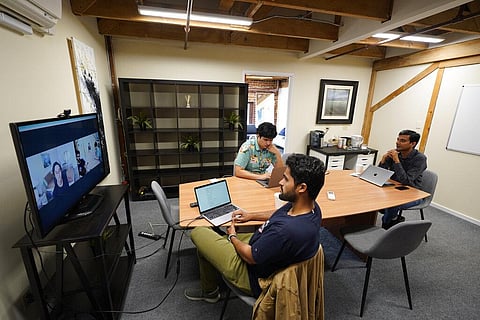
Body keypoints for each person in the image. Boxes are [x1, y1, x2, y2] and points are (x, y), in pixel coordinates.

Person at [184, 153, 325, 302]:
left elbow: (250, 257)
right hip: (262, 246)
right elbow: (280, 213)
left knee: (199, 230)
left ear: (302, 188)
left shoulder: (285, 231)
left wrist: (232, 236)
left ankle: (210, 292)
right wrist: (250, 216)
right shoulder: (311, 208)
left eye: (286, 179)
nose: (280, 182)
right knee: (206, 246)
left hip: (251, 274)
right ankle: (210, 289)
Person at [378, 129, 427, 229]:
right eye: (398, 139)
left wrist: (396, 161)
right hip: (394, 188)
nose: (398, 143)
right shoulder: (397, 153)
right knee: (372, 195)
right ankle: (393, 218)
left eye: (402, 141)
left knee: (392, 204)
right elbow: (379, 175)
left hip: (413, 193)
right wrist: (383, 161)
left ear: (413, 144)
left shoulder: (420, 158)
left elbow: (406, 181)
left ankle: (386, 227)